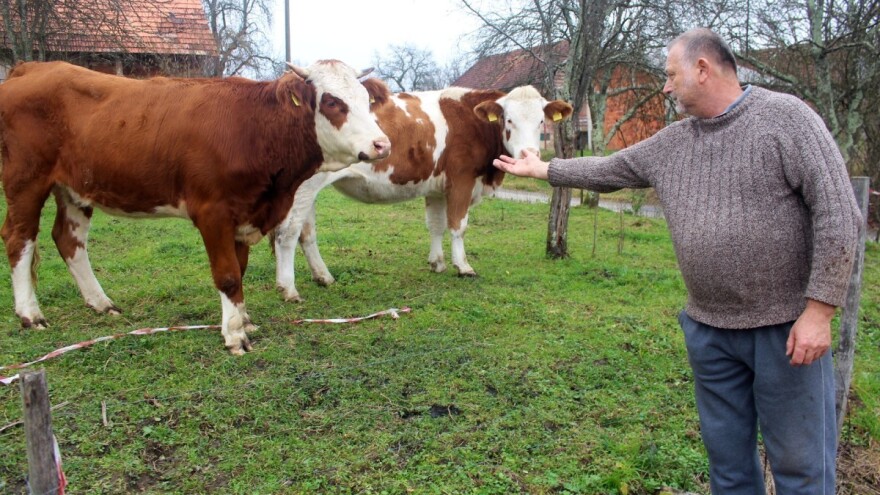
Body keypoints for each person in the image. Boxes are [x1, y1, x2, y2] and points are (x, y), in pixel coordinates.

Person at [494, 28, 862, 494]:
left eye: (671, 74)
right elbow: (611, 169)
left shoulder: (786, 120)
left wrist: (820, 311)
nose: (665, 86)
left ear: (703, 69)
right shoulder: (674, 143)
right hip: (710, 332)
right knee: (728, 467)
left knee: (801, 468)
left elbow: (838, 214)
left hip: (786, 331)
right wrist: (545, 169)